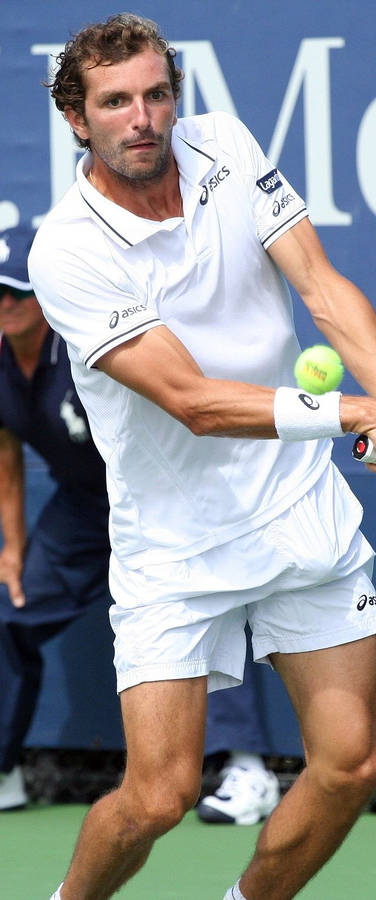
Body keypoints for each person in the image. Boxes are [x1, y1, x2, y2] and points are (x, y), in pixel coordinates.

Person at [29, 13, 376, 900]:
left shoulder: (225, 146)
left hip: (296, 509)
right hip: (175, 543)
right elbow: (192, 402)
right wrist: (352, 411)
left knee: (351, 763)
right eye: (115, 103)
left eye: (157, 94)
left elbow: (324, 289)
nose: (142, 118)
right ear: (78, 118)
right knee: (157, 798)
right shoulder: (67, 250)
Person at [0, 224, 279, 823]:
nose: (6, 304)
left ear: (42, 295)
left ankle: (246, 769)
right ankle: (3, 771)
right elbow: (6, 454)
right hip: (81, 508)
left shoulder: (88, 340)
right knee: (8, 611)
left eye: (17, 292)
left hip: (159, 496)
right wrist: (13, 547)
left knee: (205, 614)